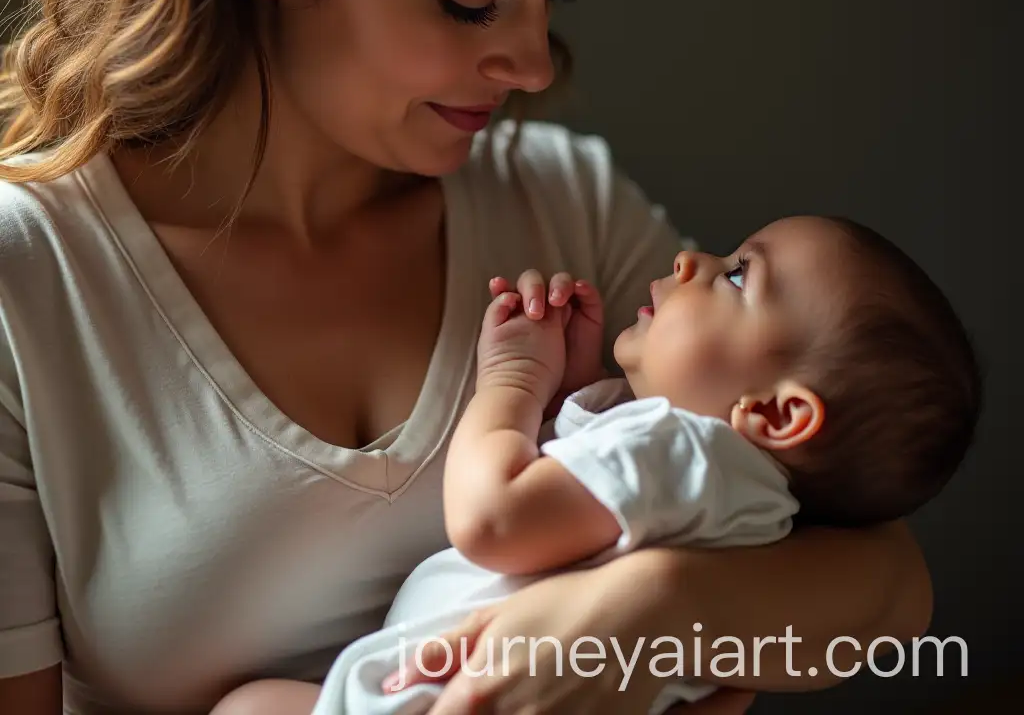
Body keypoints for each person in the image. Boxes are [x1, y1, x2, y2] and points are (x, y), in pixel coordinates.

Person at [0, 0, 934, 713]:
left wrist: (637, 616)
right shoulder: (30, 279)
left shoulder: (560, 204)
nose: (531, 63)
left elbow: (885, 586)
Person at [208, 215, 979, 714]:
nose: (691, 262)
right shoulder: (749, 505)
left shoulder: (680, 449)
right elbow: (592, 530)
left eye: (740, 275)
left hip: (440, 695)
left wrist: (513, 383)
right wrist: (581, 399)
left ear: (776, 414)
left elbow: (494, 521)